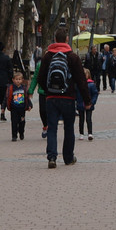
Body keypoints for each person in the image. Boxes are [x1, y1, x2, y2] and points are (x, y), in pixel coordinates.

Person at [38, 27, 90, 168]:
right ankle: (68, 157)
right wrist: (87, 101)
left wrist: (48, 90)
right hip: (68, 97)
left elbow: (40, 78)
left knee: (52, 128)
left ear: (55, 39)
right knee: (68, 128)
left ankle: (52, 157)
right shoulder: (72, 57)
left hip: (51, 98)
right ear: (67, 39)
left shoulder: (47, 56)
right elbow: (81, 81)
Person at [5, 69, 31, 141]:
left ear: (22, 80)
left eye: (19, 79)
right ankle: (14, 135)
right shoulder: (11, 88)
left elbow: (27, 98)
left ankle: (21, 132)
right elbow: (7, 97)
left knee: (22, 122)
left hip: (22, 108)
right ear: (13, 80)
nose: (18, 81)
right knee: (14, 122)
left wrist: (29, 105)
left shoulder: (24, 88)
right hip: (14, 108)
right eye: (16, 79)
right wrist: (4, 107)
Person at [77, 68, 99, 141]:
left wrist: (92, 102)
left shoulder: (91, 84)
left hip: (89, 104)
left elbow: (95, 94)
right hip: (80, 104)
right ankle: (81, 133)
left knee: (88, 119)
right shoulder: (78, 84)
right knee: (81, 119)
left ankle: (90, 133)